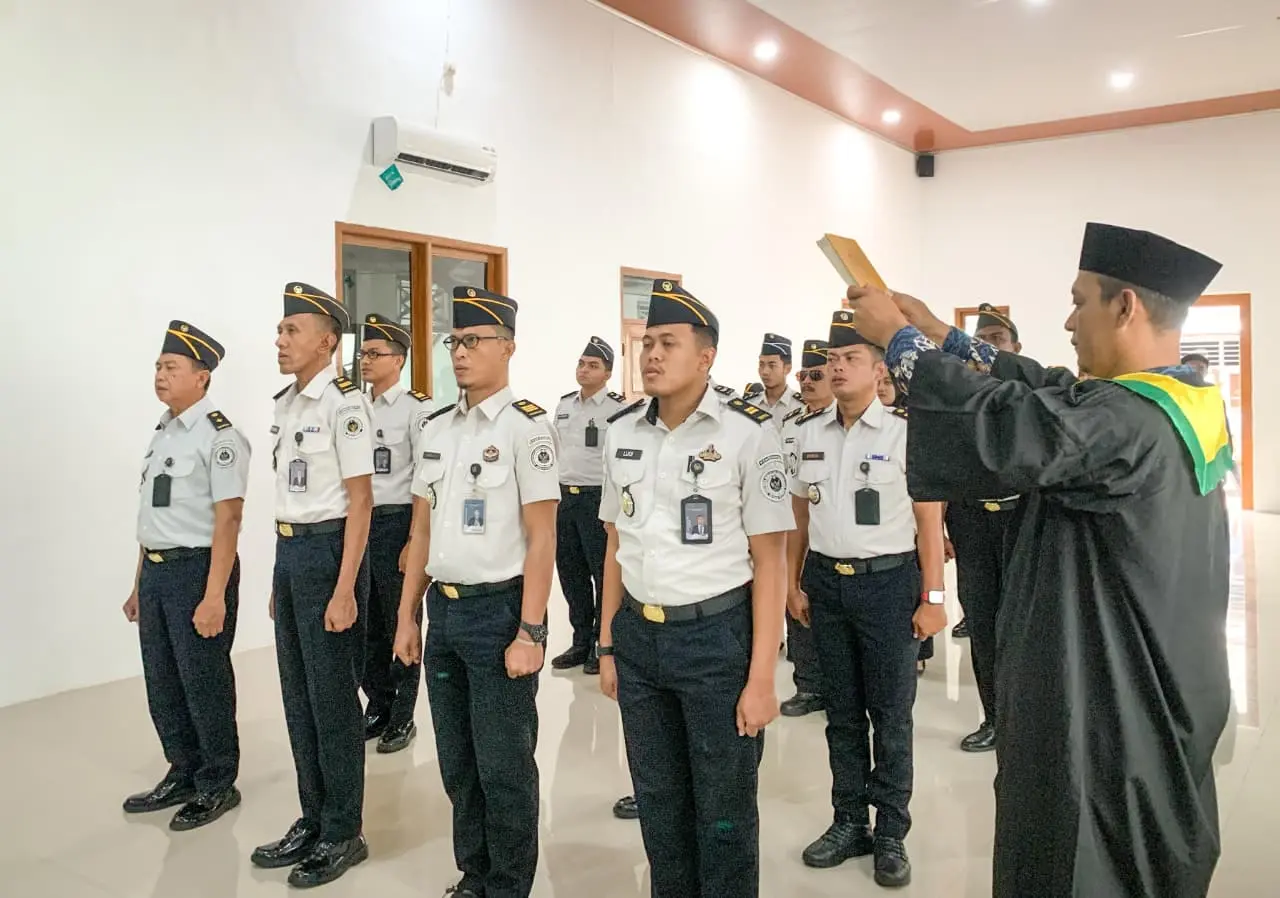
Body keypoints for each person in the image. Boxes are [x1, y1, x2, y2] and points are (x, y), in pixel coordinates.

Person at [847, 222, 1231, 898]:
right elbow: (1050, 387)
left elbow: (1007, 425)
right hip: (1165, 683)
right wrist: (941, 330)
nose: (1068, 319)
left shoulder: (1126, 423)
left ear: (1125, 307)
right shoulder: (1175, 402)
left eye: (1080, 301)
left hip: (1108, 714)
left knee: (1079, 859)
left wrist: (899, 343)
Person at [596, 279, 793, 898]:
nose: (652, 354)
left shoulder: (747, 434)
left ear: (705, 357)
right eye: (647, 342)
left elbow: (771, 559)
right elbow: (615, 546)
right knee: (659, 803)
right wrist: (606, 643)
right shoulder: (621, 432)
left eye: (668, 343)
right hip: (639, 639)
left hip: (716, 639)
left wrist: (762, 676)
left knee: (725, 809)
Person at [393, 286, 559, 898]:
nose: (460, 354)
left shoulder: (527, 429)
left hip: (499, 614)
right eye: (454, 342)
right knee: (459, 765)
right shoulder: (436, 427)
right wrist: (409, 616)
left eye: (473, 342)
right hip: (445, 612)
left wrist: (532, 630)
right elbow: (420, 530)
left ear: (508, 348)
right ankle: (476, 874)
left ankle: (510, 885)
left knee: (504, 766)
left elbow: (543, 539)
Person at [786, 310, 946, 888]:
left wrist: (933, 598)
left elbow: (929, 527)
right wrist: (792, 581)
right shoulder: (809, 433)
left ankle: (891, 833)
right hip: (827, 584)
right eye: (832, 359)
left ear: (879, 370)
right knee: (842, 714)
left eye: (850, 358)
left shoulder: (906, 434)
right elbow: (800, 517)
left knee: (891, 714)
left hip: (888, 584)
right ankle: (849, 820)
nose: (836, 367)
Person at [252, 283, 373, 888]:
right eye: (279, 331)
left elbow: (360, 502)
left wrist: (346, 586)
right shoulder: (286, 403)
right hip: (291, 551)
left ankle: (343, 830)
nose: (279, 340)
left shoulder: (344, 404)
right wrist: (280, 571)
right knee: (297, 696)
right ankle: (312, 815)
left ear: (327, 341)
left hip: (330, 554)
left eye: (290, 330)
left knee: (331, 701)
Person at [124, 321, 249, 832]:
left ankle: (218, 781)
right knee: (164, 680)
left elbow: (229, 519)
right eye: (158, 365)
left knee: (204, 682)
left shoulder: (219, 438)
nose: (160, 374)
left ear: (202, 378)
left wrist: (214, 593)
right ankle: (183, 768)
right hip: (156, 574)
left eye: (171, 367)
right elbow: (152, 518)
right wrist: (137, 584)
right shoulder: (163, 433)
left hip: (198, 573)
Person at [944, 303, 1023, 753]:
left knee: (1026, 626)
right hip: (972, 523)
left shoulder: (1029, 399)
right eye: (980, 341)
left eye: (997, 339)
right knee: (982, 623)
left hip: (1019, 524)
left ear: (1015, 348)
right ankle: (994, 718)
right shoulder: (955, 401)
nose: (988, 348)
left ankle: (1027, 718)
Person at [357, 313, 434, 754]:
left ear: (398, 360)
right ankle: (379, 703)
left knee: (399, 619)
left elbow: (425, 479)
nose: (365, 360)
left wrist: (412, 540)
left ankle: (403, 715)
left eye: (375, 353)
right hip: (359, 524)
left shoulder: (416, 410)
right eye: (363, 353)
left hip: (396, 523)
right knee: (366, 622)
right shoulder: (355, 407)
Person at [550, 336, 627, 675]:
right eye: (581, 363)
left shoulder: (617, 409)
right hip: (566, 498)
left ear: (607, 373)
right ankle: (580, 640)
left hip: (598, 500)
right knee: (571, 574)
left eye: (592, 365)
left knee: (602, 573)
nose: (584, 369)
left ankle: (601, 642)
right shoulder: (565, 405)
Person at [778, 338, 832, 718]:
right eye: (804, 375)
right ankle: (808, 685)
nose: (808, 382)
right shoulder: (791, 425)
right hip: (791, 527)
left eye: (816, 374)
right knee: (797, 609)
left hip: (830, 533)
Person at [743, 333, 803, 424]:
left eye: (772, 365)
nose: (765, 372)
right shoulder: (748, 404)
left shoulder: (802, 406)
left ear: (787, 369)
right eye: (761, 365)